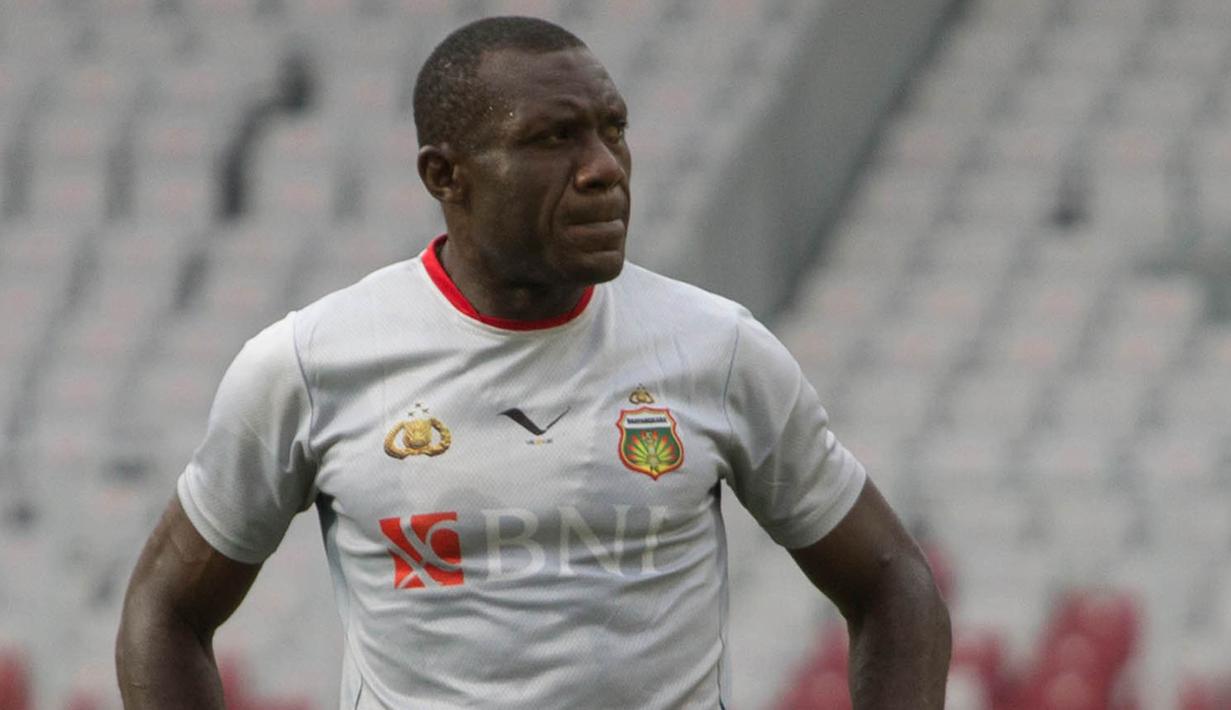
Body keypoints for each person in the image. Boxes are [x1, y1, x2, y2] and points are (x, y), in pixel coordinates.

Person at [116, 15, 950, 709]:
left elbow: (893, 586)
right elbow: (166, 611)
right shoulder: (309, 364)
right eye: (554, 139)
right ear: (447, 176)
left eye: (613, 130)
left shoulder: (717, 349)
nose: (602, 170)